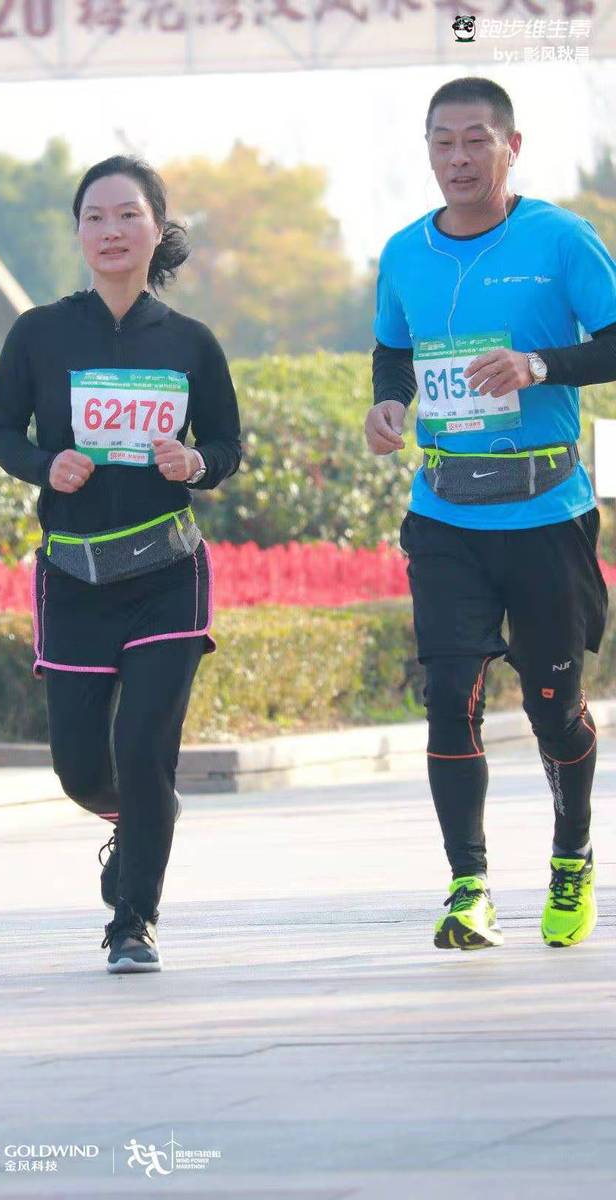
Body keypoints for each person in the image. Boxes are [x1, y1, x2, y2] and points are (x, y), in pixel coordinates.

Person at [365, 77, 616, 951]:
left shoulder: (560, 238)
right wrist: (388, 405)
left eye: (477, 140)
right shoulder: (404, 252)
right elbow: (392, 351)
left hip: (546, 512)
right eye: (443, 142)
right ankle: (468, 885)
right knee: (449, 695)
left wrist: (538, 366)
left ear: (512, 146)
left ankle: (572, 856)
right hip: (444, 511)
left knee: (554, 708)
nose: (459, 158)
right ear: (428, 150)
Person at [0, 156, 241, 974]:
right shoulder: (40, 332)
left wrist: (195, 463)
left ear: (157, 228)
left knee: (144, 748)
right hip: (74, 578)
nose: (111, 231)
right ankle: (139, 824)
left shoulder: (191, 343)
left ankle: (133, 923)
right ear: (78, 234)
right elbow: (0, 431)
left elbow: (227, 444)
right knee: (80, 767)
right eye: (94, 217)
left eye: (128, 215)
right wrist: (44, 465)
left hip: (167, 572)